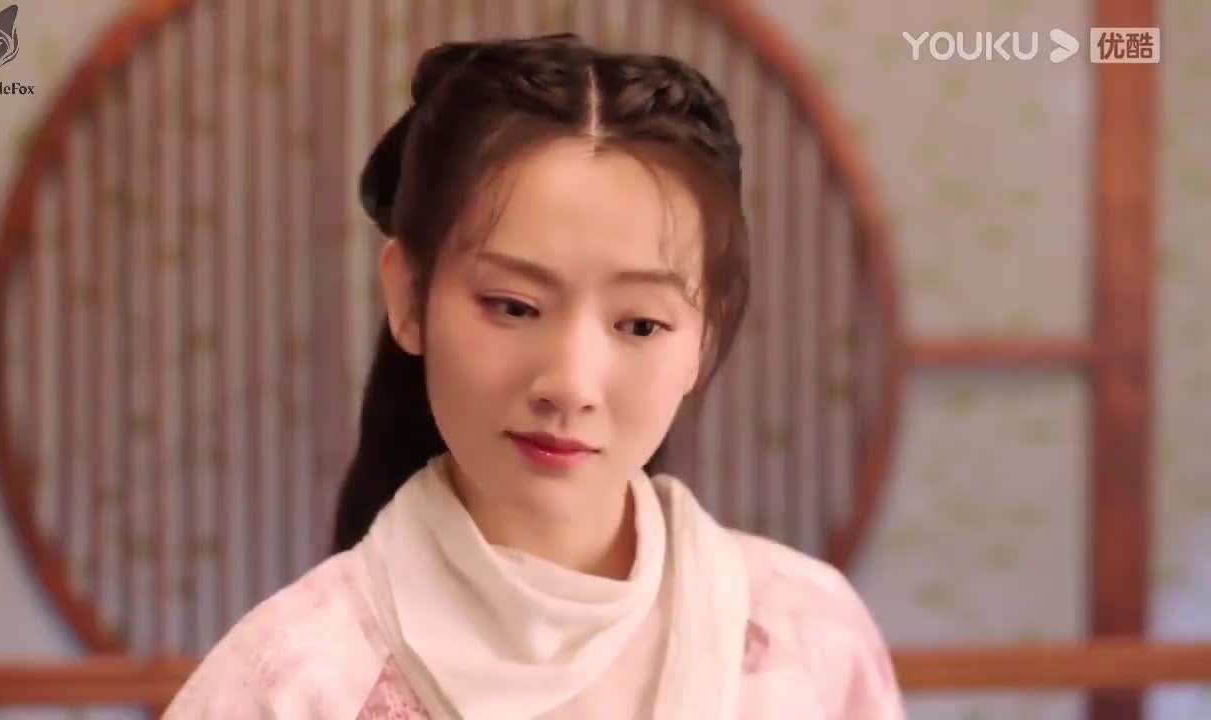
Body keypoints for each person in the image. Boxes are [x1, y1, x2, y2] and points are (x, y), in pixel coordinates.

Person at [163, 33, 903, 720]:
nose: (571, 384)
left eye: (640, 324)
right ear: (410, 297)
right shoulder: (290, 683)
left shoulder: (809, 638)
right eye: (513, 306)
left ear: (705, 339)